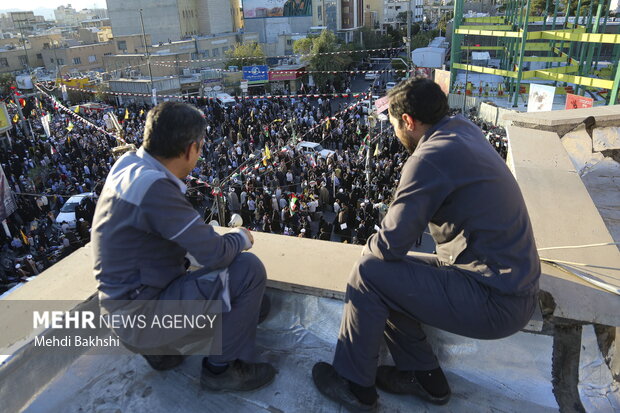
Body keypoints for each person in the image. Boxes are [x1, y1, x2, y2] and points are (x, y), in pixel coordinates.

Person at [311, 78, 540, 411]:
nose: (394, 135)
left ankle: (354, 385)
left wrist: (367, 252)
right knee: (389, 278)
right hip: (507, 284)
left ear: (408, 122)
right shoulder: (462, 128)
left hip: (495, 298)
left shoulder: (430, 156)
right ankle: (425, 377)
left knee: (369, 273)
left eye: (394, 126)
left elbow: (389, 245)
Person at [91, 102, 276, 392]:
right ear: (191, 149)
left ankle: (162, 349)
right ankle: (220, 369)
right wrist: (242, 237)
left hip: (123, 308)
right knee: (249, 271)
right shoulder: (155, 187)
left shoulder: (128, 164)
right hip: (141, 318)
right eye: (201, 148)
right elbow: (214, 253)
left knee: (255, 305)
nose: (200, 154)